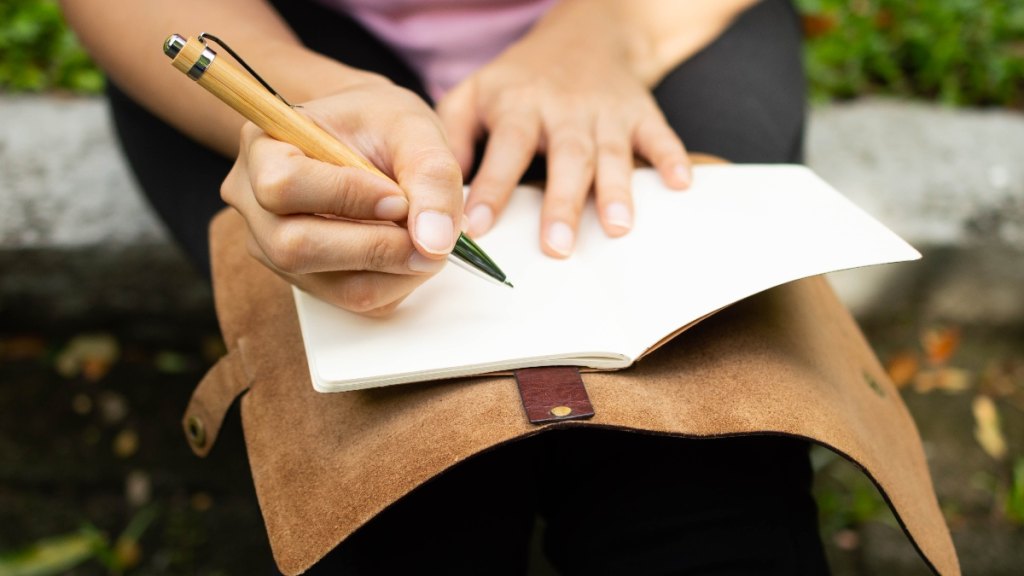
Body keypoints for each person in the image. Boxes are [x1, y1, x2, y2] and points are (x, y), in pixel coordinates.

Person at [62, 0, 826, 573]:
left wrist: (606, 34)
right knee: (403, 472)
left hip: (667, 20)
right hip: (277, 33)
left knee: (704, 456)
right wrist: (304, 104)